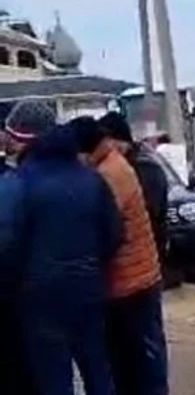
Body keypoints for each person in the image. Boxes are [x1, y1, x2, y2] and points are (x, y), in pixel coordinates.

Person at [0, 102, 122, 395]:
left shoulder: (15, 183)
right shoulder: (91, 178)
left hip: (39, 298)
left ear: (22, 139)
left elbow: (5, 245)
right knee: (98, 372)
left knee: (54, 379)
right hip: (89, 289)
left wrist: (11, 289)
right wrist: (91, 265)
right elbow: (114, 234)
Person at [70, 116, 169, 395]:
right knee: (141, 360)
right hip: (137, 279)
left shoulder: (109, 175)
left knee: (138, 364)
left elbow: (105, 230)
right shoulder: (112, 165)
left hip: (129, 284)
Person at [99, 112, 170, 266]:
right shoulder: (121, 165)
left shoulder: (145, 168)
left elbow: (151, 213)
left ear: (121, 141)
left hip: (148, 255)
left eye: (109, 142)